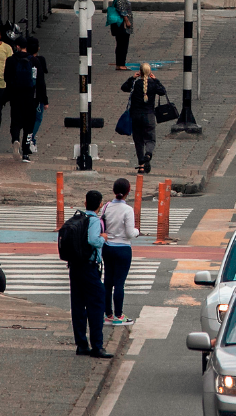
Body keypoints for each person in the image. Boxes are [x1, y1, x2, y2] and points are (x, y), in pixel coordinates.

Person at [70, 190, 113, 359]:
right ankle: (97, 346)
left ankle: (81, 345)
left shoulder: (78, 218)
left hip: (75, 266)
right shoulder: (94, 220)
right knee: (96, 305)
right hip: (89, 267)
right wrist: (103, 238)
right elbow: (93, 240)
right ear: (100, 205)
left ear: (85, 203)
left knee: (78, 306)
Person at [100, 178, 138, 326]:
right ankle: (119, 315)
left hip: (107, 247)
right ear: (128, 191)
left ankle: (107, 314)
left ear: (114, 190)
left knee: (108, 281)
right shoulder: (128, 210)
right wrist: (137, 232)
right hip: (123, 249)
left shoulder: (106, 207)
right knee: (119, 283)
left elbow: (102, 225)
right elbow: (129, 233)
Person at [121, 63, 166, 173]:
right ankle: (148, 154)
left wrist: (132, 77)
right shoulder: (153, 84)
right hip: (149, 116)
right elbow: (163, 91)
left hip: (136, 116)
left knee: (138, 141)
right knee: (150, 139)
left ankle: (141, 165)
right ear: (150, 73)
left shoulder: (135, 84)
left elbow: (124, 87)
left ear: (139, 72)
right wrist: (156, 80)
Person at [3, 37, 37, 162]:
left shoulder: (10, 60)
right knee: (29, 124)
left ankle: (15, 140)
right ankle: (26, 152)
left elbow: (6, 78)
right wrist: (43, 99)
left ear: (17, 46)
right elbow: (40, 81)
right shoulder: (34, 60)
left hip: (15, 96)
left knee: (16, 121)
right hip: (30, 97)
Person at [26, 38, 49, 153]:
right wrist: (45, 100)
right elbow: (41, 81)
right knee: (37, 118)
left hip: (24, 94)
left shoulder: (22, 59)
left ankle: (29, 139)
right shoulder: (40, 60)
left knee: (27, 118)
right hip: (37, 95)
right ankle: (30, 139)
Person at [110, 0, 134, 71]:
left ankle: (119, 64)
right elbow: (122, 11)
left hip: (118, 25)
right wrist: (127, 21)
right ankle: (121, 64)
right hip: (121, 25)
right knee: (123, 45)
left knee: (120, 44)